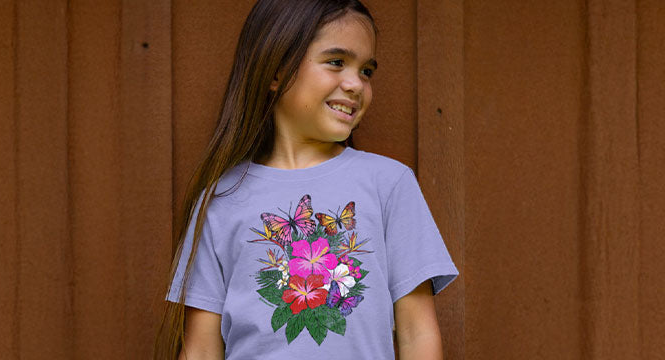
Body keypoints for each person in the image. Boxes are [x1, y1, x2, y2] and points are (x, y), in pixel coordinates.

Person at [159, 0, 454, 358]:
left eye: (366, 71)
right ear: (276, 71)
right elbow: (201, 349)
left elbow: (417, 333)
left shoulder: (389, 184)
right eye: (336, 62)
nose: (355, 84)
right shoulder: (220, 200)